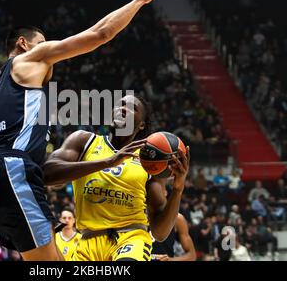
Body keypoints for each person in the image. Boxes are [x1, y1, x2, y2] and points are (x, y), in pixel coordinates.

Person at [0, 0, 175, 261]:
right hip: (12, 168)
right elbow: (100, 34)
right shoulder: (29, 59)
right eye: (42, 43)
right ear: (23, 44)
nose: (47, 49)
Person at [44, 94, 190, 261]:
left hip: (130, 239)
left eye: (132, 108)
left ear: (141, 125)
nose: (123, 108)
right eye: (120, 104)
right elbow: (47, 174)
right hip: (87, 241)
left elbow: (160, 233)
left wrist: (178, 189)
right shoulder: (84, 141)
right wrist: (108, 162)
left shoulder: (149, 162)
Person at [151, 182, 196, 261]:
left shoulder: (177, 219)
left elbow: (191, 255)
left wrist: (170, 260)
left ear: (165, 192)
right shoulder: (135, 216)